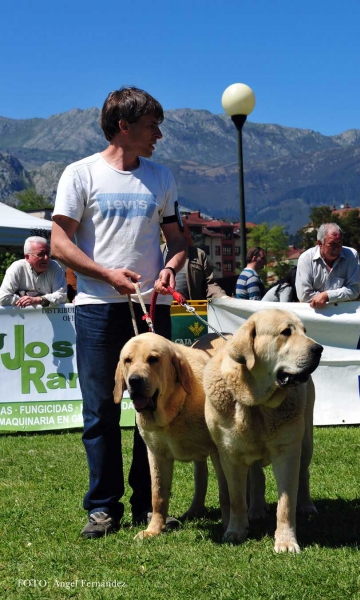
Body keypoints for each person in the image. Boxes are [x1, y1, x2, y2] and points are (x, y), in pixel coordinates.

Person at [51, 86, 187, 539]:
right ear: (123, 127)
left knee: (155, 409)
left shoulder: (162, 176)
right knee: (102, 411)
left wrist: (169, 268)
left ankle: (152, 507)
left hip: (151, 309)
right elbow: (59, 243)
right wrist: (106, 274)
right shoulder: (79, 174)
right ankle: (103, 508)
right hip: (96, 309)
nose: (159, 135)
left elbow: (180, 241)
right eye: (152, 125)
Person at [295, 223, 360, 308]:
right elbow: (304, 295)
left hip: (344, 316)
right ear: (320, 243)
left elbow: (354, 291)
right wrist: (336, 296)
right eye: (332, 244)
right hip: (314, 316)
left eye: (339, 243)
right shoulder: (306, 259)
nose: (337, 248)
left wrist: (327, 296)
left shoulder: (352, 256)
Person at [0, 236, 66, 307]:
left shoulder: (55, 267)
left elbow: (62, 296)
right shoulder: (16, 268)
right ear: (27, 257)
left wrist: (38, 300)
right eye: (40, 254)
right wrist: (27, 301)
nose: (46, 258)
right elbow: (3, 298)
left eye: (48, 253)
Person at [161, 239, 227, 300]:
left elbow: (208, 284)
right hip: (159, 310)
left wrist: (223, 297)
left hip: (189, 309)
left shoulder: (198, 255)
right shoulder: (155, 253)